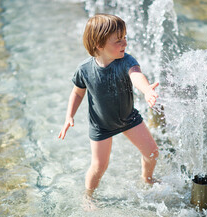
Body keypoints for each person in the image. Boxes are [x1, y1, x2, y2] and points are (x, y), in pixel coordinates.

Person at [58, 13, 159, 197]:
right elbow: (77, 92)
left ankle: (147, 178)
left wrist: (146, 90)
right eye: (118, 41)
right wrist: (69, 115)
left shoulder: (126, 61)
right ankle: (88, 197)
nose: (125, 44)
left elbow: (136, 75)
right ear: (99, 44)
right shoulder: (85, 70)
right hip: (101, 126)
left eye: (125, 38)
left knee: (152, 152)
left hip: (129, 118)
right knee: (99, 167)